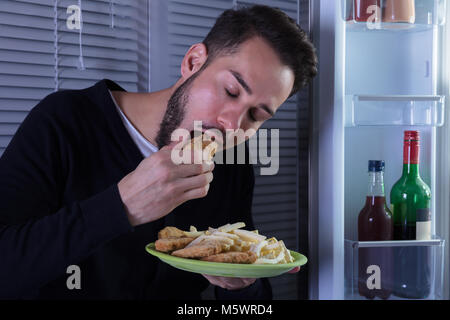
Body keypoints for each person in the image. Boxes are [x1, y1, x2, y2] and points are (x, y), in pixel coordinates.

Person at [0, 5, 317, 299]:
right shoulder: (66, 121)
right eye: (231, 91)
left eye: (256, 115)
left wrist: (241, 284)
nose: (232, 125)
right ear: (193, 62)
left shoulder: (232, 167)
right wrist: (122, 206)